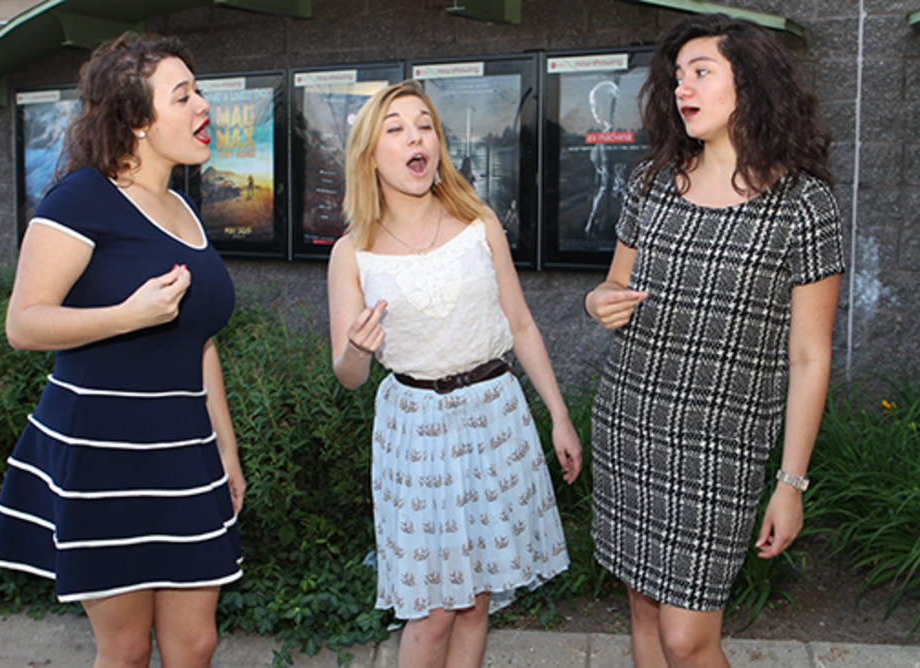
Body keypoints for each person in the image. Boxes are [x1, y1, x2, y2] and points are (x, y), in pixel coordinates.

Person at [584, 14, 845, 668]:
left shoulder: (802, 205)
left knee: (689, 640)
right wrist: (600, 304)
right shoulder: (650, 182)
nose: (683, 88)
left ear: (751, 85)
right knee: (643, 608)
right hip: (631, 424)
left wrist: (790, 483)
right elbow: (609, 286)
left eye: (702, 72)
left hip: (720, 448)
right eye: (678, 77)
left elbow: (811, 357)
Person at [0, 33, 245, 668]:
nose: (203, 105)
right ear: (135, 120)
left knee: (196, 643)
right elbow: (24, 323)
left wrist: (226, 450)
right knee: (124, 649)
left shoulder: (184, 206)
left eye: (198, 90)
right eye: (183, 96)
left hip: (185, 452)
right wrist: (126, 317)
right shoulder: (80, 198)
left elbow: (196, 340)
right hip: (104, 454)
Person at [327, 81, 583, 668]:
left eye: (425, 125)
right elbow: (347, 374)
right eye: (395, 128)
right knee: (435, 609)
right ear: (370, 154)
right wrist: (359, 350)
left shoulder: (478, 221)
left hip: (495, 418)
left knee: (475, 602)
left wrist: (560, 417)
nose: (415, 136)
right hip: (415, 433)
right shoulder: (352, 252)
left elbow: (519, 324)